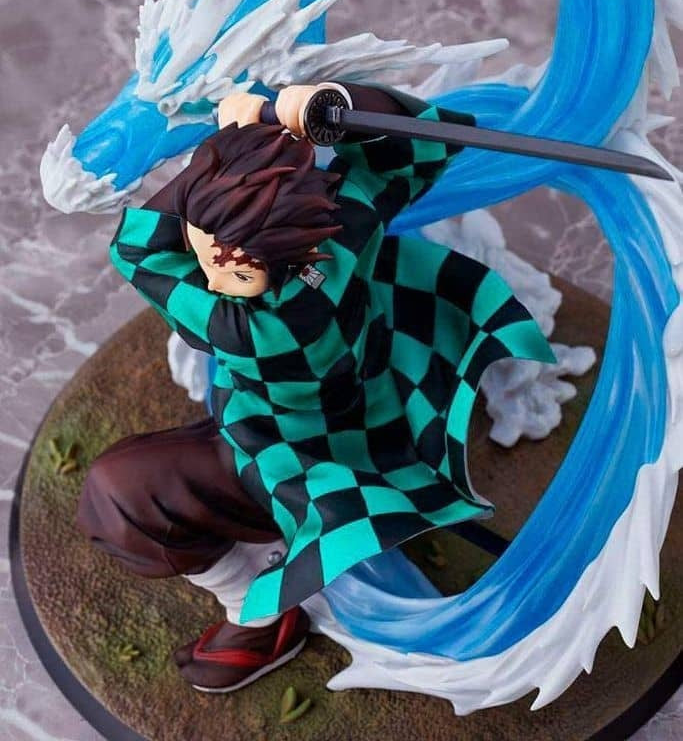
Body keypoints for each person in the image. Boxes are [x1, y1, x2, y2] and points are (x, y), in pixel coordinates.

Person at [77, 81, 553, 693]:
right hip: (373, 399)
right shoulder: (340, 228)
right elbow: (414, 143)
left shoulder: (255, 329)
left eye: (232, 270)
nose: (214, 278)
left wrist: (224, 143)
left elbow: (138, 247)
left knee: (118, 495)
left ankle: (259, 612)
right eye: (205, 251)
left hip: (299, 457)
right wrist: (326, 106)